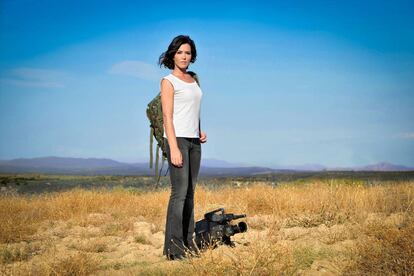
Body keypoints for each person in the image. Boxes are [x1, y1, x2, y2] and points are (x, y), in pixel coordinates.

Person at [158, 35, 207, 260]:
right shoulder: (169, 81)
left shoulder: (193, 79)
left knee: (190, 194)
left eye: (187, 52)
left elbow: (193, 110)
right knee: (179, 194)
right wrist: (174, 148)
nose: (184, 56)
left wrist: (200, 130)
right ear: (172, 55)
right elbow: (168, 117)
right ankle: (174, 249)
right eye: (180, 52)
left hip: (194, 142)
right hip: (178, 141)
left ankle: (188, 243)